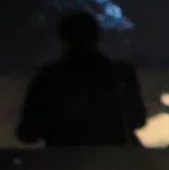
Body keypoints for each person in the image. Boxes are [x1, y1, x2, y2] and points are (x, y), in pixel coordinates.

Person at [15, 12, 145, 147]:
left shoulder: (48, 79)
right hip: (113, 162)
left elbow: (28, 133)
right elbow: (137, 120)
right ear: (97, 37)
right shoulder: (120, 75)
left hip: (65, 162)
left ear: (63, 39)